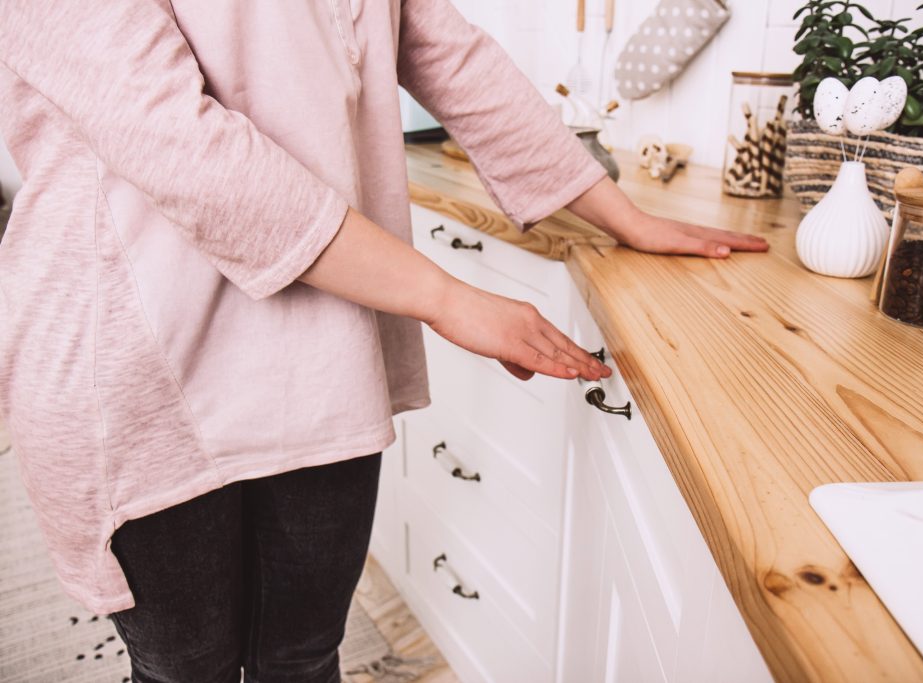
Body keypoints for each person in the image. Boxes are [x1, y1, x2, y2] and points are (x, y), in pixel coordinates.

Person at [0, 1, 768, 681]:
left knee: (302, 656)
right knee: (185, 668)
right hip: (139, 363)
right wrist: (443, 296)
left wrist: (623, 215)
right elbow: (177, 139)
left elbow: (448, 53)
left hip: (322, 344)